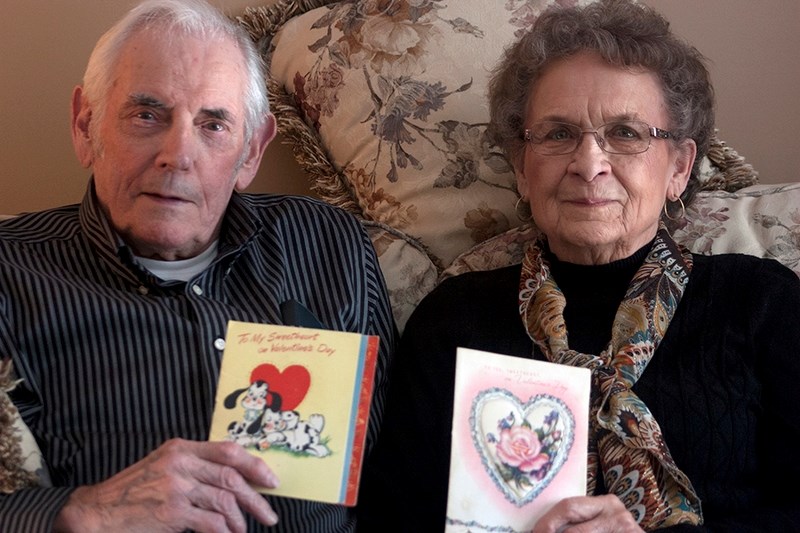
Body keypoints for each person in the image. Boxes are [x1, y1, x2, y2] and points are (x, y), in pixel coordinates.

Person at [357, 0, 800, 531]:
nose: (589, 165)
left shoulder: (760, 303)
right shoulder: (454, 320)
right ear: (523, 168)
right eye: (558, 134)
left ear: (679, 168)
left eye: (627, 133)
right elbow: (395, 518)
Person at [0, 0, 396, 531]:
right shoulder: (10, 270)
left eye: (213, 125)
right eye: (147, 115)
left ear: (251, 151)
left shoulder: (330, 246)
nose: (177, 154)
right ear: (84, 125)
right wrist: (84, 510)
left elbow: (399, 471)